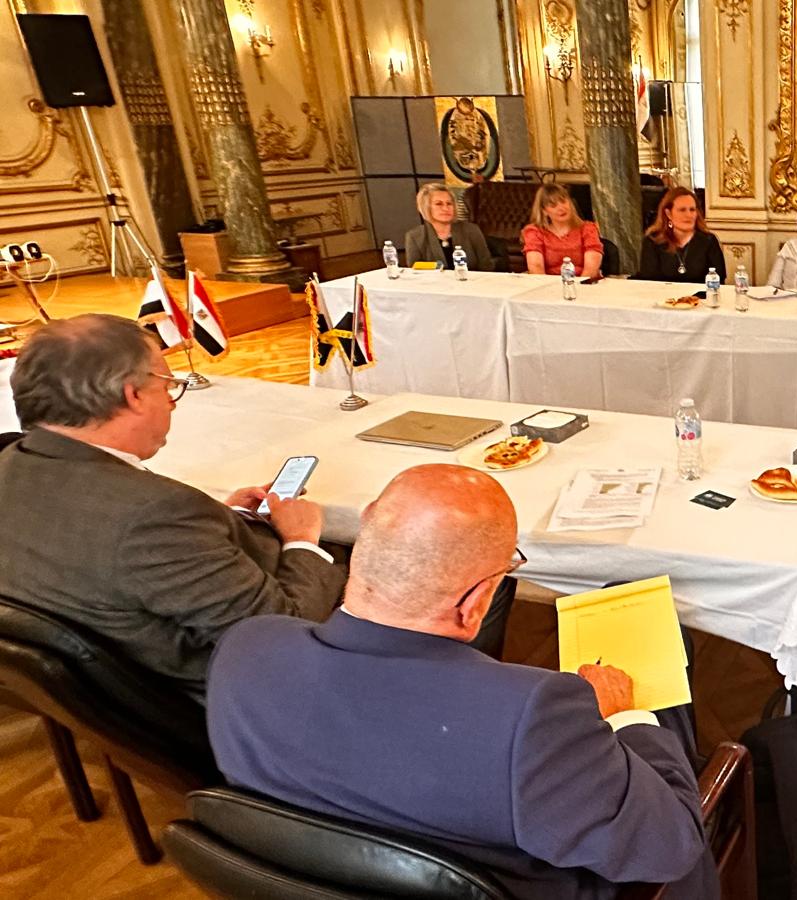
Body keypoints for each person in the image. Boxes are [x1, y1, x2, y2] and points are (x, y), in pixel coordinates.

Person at [207, 465, 715, 899]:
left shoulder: (246, 650)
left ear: (365, 545)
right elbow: (667, 847)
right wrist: (626, 717)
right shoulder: (534, 715)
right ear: (474, 603)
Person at [0, 315, 344, 699]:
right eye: (167, 386)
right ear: (133, 395)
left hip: (98, 679)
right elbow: (281, 636)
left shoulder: (11, 461)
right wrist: (302, 540)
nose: (171, 402)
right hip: (220, 697)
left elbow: (98, 543)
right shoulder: (154, 515)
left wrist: (218, 520)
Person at [637, 187, 727, 284]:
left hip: (701, 294)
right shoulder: (652, 241)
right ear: (668, 214)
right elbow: (648, 282)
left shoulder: (709, 241)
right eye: (682, 210)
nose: (688, 215)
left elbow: (719, 280)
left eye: (692, 210)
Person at [404, 182, 495, 272]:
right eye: (439, 204)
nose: (446, 208)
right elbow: (415, 271)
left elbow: (487, 266)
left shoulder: (471, 230)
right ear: (426, 207)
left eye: (449, 203)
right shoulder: (414, 237)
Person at [521, 183, 604, 279]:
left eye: (563, 202)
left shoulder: (588, 229)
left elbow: (591, 269)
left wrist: (578, 286)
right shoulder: (535, 232)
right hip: (547, 284)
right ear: (544, 211)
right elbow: (536, 268)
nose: (561, 208)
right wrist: (550, 287)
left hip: (584, 283)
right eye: (553, 205)